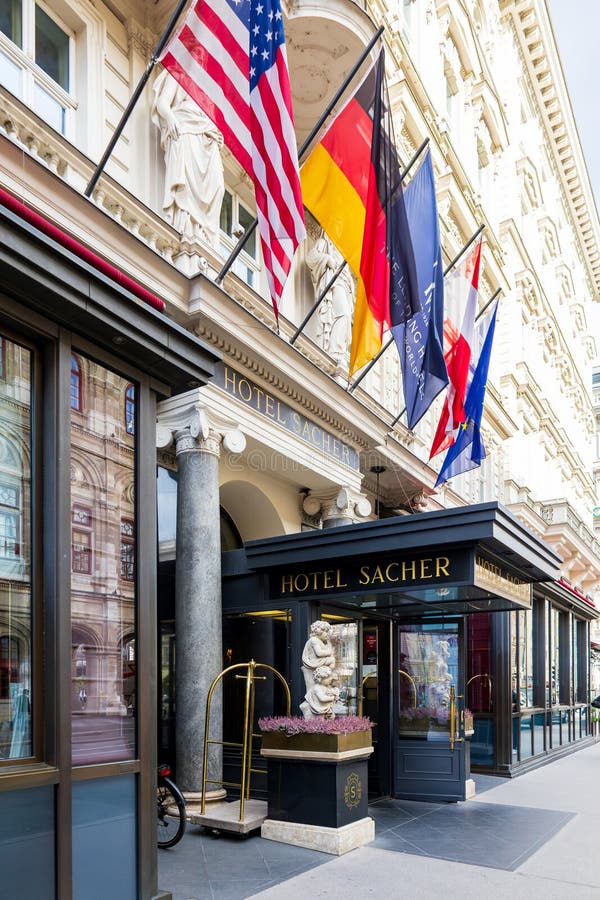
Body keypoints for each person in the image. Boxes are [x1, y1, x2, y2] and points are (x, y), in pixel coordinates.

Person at [151, 70, 225, 247]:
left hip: (207, 138)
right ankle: (189, 231)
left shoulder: (209, 86)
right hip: (186, 131)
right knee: (187, 187)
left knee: (218, 187)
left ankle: (209, 239)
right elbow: (162, 103)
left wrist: (216, 134)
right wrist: (170, 118)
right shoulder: (180, 74)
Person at [306, 233, 354, 361]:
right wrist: (327, 259)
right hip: (335, 282)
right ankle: (334, 351)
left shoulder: (345, 252)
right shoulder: (326, 241)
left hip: (345, 286)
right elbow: (311, 257)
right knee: (344, 314)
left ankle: (338, 352)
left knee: (345, 317)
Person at [301, 620, 336, 692]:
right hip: (314, 662)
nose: (327, 634)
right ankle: (327, 674)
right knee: (332, 660)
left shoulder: (321, 641)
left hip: (318, 662)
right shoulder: (314, 640)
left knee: (332, 660)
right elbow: (319, 653)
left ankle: (327, 675)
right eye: (326, 632)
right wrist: (329, 652)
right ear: (319, 632)